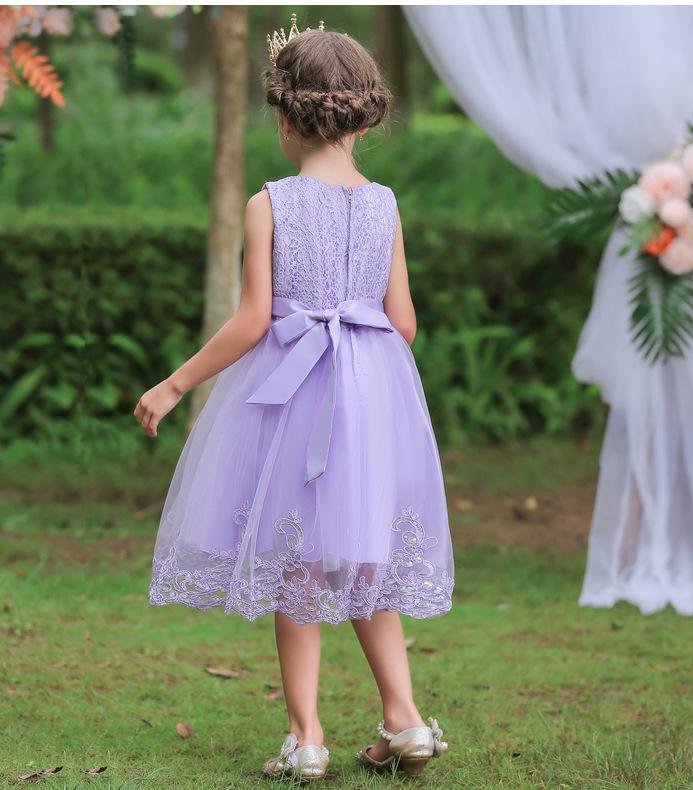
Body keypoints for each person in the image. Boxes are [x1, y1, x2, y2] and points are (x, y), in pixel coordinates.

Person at [135, 16, 453, 781]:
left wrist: (176, 383)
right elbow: (405, 324)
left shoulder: (269, 203)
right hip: (370, 397)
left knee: (297, 565)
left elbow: (253, 321)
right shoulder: (384, 204)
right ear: (364, 119)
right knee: (364, 558)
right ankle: (405, 719)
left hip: (296, 398)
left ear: (285, 117)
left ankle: (307, 737)